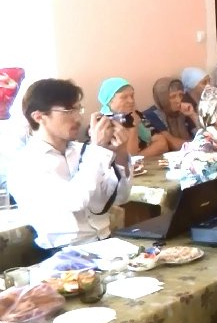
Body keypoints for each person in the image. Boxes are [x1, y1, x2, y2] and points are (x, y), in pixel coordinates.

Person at [9, 78, 132, 253]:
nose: (78, 118)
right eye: (68, 111)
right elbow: (75, 201)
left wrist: (120, 153)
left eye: (78, 109)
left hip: (106, 244)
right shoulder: (24, 164)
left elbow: (121, 197)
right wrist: (96, 149)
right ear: (39, 116)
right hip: (64, 253)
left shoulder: (83, 151)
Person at [97, 77, 170, 156]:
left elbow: (162, 144)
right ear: (109, 101)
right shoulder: (102, 125)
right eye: (124, 97)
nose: (131, 101)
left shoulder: (136, 115)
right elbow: (128, 155)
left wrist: (137, 158)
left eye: (132, 96)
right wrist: (133, 127)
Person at [143, 77, 198, 150]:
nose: (178, 100)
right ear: (162, 98)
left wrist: (192, 114)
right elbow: (173, 144)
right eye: (173, 96)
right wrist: (200, 145)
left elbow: (205, 134)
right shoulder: (151, 115)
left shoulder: (183, 110)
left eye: (181, 95)